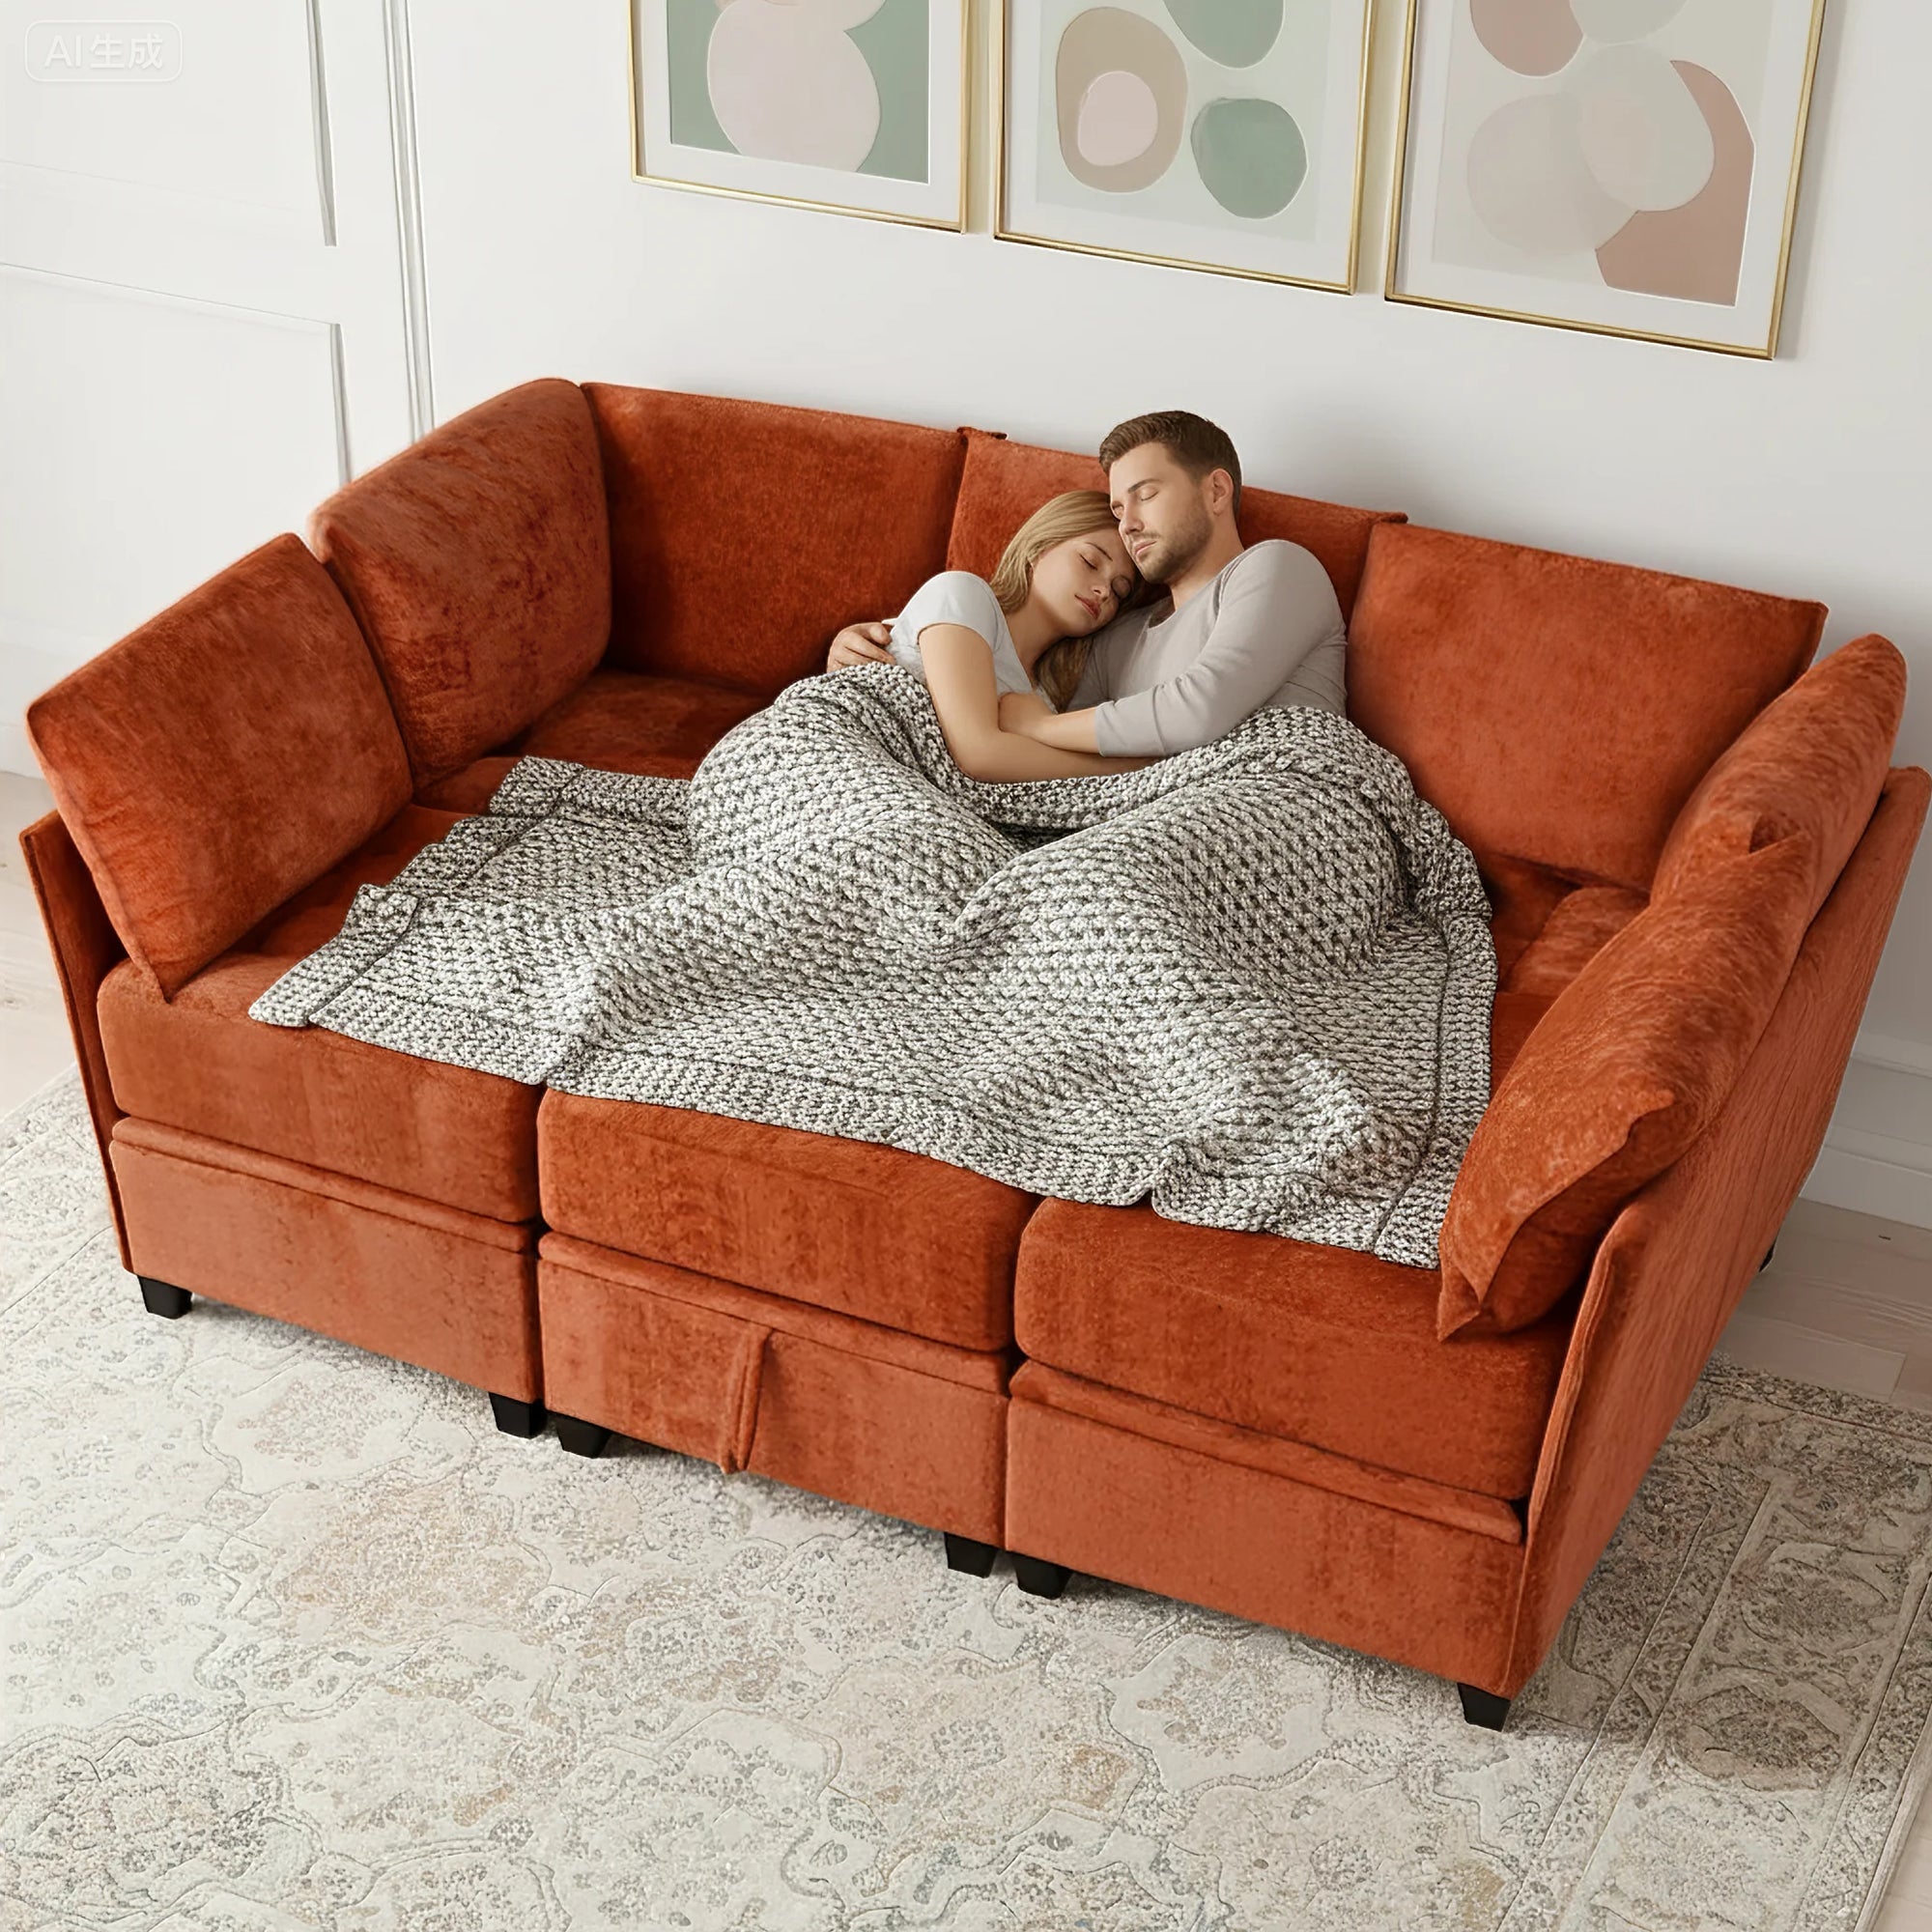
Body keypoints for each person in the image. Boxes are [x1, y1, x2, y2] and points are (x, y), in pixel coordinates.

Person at [829, 411, 1348, 761]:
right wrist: (863, 643)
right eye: (1120, 510)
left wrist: (1038, 727)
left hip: (1282, 796)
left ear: (1215, 490)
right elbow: (1001, 715)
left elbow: (1198, 708)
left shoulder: (1277, 568)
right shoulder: (1116, 642)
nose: (1129, 523)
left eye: (1146, 495)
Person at [849, 490, 1161, 781]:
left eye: (1119, 591)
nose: (1104, 590)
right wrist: (1126, 770)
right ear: (1039, 546)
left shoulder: (1044, 702)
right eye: (1090, 562)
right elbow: (979, 753)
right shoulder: (964, 593)